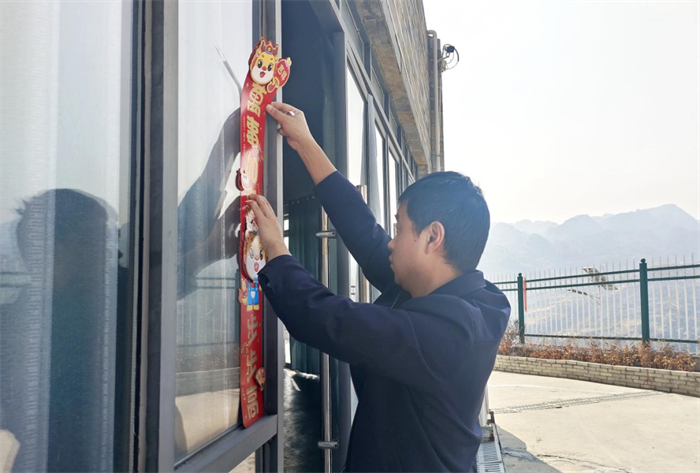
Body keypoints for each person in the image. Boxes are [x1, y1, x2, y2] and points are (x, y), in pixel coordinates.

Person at [247, 102, 511, 472]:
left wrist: (275, 249)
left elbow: (330, 320)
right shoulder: (435, 291)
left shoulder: (452, 334)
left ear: (432, 237)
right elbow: (365, 233)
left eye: (400, 227)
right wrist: (305, 143)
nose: (391, 241)